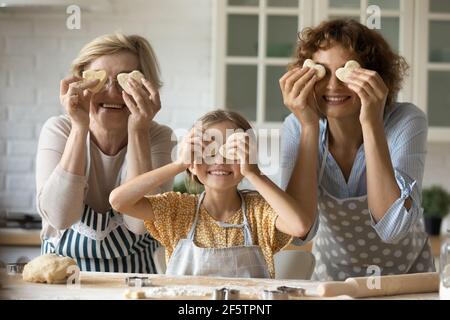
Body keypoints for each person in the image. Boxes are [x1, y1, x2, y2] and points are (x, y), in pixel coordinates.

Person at [279, 19, 435, 281]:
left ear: (376, 76)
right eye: (322, 72)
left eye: (346, 72)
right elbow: (298, 231)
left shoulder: (406, 120)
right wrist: (308, 127)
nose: (333, 86)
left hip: (408, 281)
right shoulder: (296, 127)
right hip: (333, 282)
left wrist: (371, 120)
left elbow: (393, 228)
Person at [109, 110, 315, 278]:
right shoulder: (178, 209)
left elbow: (300, 225)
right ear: (193, 162)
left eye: (232, 152)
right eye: (209, 152)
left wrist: (254, 174)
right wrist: (178, 164)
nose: (219, 161)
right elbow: (119, 201)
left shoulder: (259, 211)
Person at [36, 33, 175, 273]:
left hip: (135, 282)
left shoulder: (158, 137)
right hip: (60, 278)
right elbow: (60, 217)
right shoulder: (59, 129)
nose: (112, 92)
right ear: (79, 83)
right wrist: (80, 128)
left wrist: (138, 130)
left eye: (124, 82)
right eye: (100, 80)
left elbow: (141, 224)